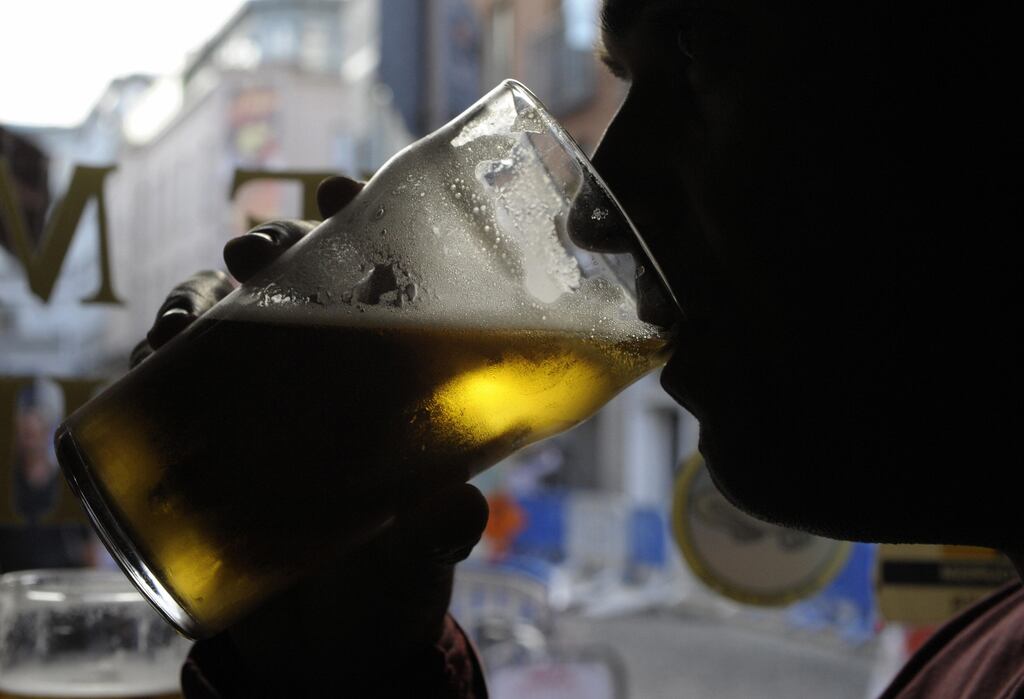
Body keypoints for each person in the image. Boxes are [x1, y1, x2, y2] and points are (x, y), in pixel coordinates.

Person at [139, 1, 1017, 696]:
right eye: (628, 79)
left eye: (700, 48)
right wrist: (345, 669)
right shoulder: (984, 659)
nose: (595, 214)